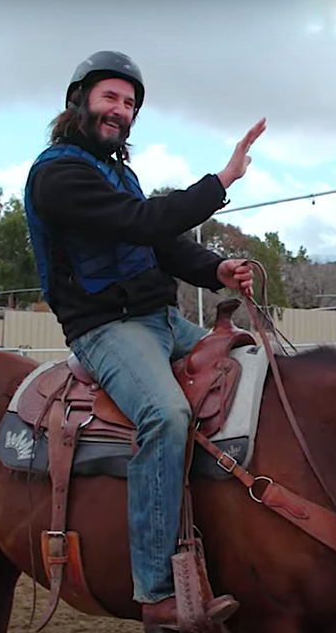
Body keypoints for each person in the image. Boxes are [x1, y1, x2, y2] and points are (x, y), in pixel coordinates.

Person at [22, 49, 265, 631]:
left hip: (160, 319)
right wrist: (222, 180)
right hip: (105, 328)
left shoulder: (119, 176)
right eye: (111, 97)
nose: (121, 110)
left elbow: (162, 246)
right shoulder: (58, 174)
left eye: (129, 103)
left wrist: (216, 271)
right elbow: (144, 224)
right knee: (165, 414)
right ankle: (157, 587)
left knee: (257, 363)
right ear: (79, 100)